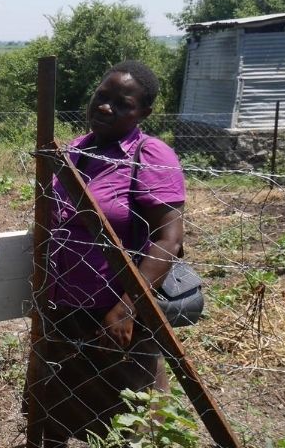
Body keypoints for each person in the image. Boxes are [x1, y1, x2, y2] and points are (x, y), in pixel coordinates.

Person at [39, 60, 185, 445]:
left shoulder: (149, 155)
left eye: (123, 104)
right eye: (102, 96)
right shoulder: (74, 150)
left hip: (114, 318)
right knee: (56, 414)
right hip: (63, 310)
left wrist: (128, 307)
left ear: (144, 113)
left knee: (129, 423)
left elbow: (169, 238)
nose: (105, 107)